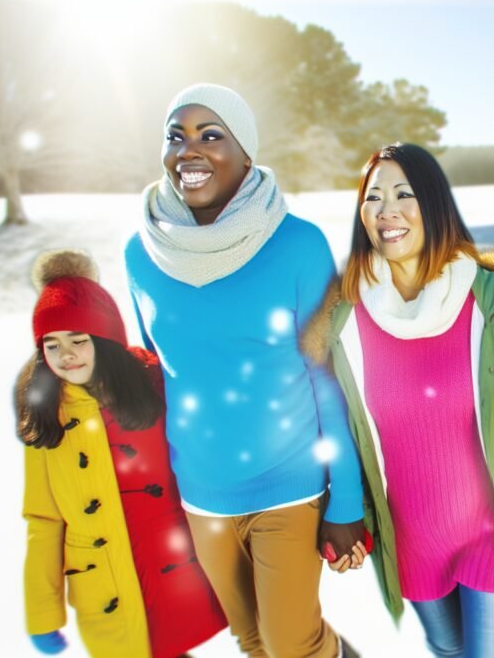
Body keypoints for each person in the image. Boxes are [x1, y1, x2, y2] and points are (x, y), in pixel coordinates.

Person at [125, 84, 366, 658]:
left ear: (246, 153)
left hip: (290, 486)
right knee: (254, 639)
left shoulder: (299, 244)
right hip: (202, 496)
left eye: (212, 135)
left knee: (293, 643)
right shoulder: (141, 252)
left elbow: (326, 377)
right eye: (176, 136)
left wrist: (347, 501)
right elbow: (159, 371)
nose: (190, 150)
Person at [301, 142, 494, 657]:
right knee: (448, 652)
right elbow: (338, 433)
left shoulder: (492, 301)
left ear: (435, 204)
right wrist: (341, 512)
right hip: (413, 541)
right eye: (373, 197)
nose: (387, 210)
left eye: (404, 193)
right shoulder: (344, 322)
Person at [16, 249, 226, 657]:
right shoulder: (46, 415)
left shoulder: (153, 386)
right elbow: (43, 519)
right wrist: (43, 614)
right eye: (52, 345)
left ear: (106, 340)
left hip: (174, 568)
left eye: (78, 340)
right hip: (103, 585)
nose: (66, 355)